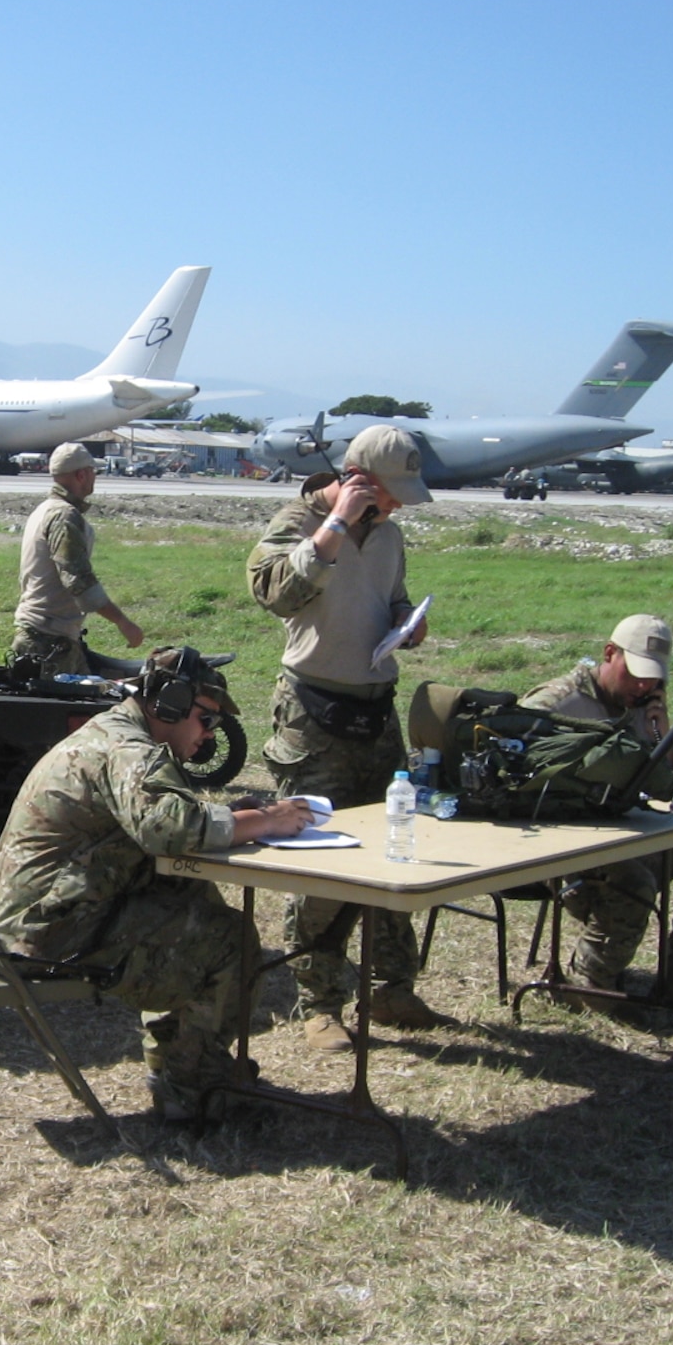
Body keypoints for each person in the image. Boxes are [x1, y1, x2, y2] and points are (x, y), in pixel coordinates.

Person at [0, 647, 313, 1120]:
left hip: (41, 913)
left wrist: (229, 816)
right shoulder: (128, 750)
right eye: (206, 720)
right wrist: (264, 820)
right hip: (50, 932)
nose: (208, 734)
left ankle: (173, 1062)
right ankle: (192, 1087)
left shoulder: (116, 734)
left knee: (190, 898)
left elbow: (163, 817)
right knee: (231, 941)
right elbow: (168, 829)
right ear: (171, 704)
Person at [246, 423, 445, 1050]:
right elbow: (275, 593)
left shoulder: (389, 537)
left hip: (374, 708)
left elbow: (394, 596)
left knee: (392, 844)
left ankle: (391, 987)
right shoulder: (294, 523)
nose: (395, 507)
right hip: (312, 716)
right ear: (356, 479)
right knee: (319, 852)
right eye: (389, 494)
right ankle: (318, 1004)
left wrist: (402, 623)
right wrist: (332, 528)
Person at [522, 614, 673, 1011]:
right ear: (609, 654)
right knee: (634, 879)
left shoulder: (640, 706)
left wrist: (661, 737)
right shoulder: (555, 703)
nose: (644, 687)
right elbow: (507, 774)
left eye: (654, 679)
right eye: (636, 675)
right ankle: (593, 981)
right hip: (557, 848)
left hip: (619, 832)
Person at [10, 441, 144, 675]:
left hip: (52, 636)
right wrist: (123, 623)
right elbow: (78, 580)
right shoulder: (63, 516)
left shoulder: (46, 509)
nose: (95, 478)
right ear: (82, 474)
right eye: (93, 472)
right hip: (47, 641)